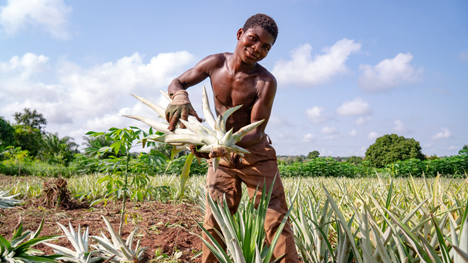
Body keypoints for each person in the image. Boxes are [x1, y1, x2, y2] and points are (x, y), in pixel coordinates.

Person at [165, 13, 299, 263]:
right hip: (221, 156)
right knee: (215, 219)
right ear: (240, 34)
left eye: (266, 47)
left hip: (255, 154)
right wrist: (180, 97)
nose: (257, 48)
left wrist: (223, 146)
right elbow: (178, 81)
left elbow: (256, 130)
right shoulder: (215, 63)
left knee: (274, 218)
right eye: (253, 39)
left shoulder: (265, 81)